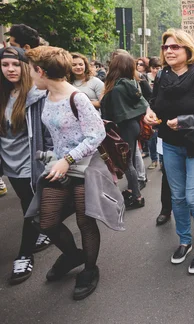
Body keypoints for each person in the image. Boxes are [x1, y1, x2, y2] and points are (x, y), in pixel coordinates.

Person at [26, 46, 124, 301]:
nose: (29, 75)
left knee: (85, 221)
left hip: (86, 167)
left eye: (30, 69)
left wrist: (68, 159)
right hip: (59, 165)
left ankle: (90, 269)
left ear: (40, 71)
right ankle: (73, 255)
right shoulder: (42, 95)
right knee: (46, 221)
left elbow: (97, 135)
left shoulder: (77, 97)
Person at [144, 28, 194, 274]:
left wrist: (186, 120)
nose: (169, 51)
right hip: (169, 144)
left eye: (175, 46)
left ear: (188, 50)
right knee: (176, 197)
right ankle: (185, 241)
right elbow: (155, 103)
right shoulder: (163, 76)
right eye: (166, 47)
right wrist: (151, 113)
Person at [0, 46, 52, 284]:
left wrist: (50, 158)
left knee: (31, 208)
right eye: (4, 65)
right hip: (8, 164)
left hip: (30, 163)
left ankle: (24, 255)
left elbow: (47, 130)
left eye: (14, 64)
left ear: (24, 66)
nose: (10, 69)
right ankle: (41, 232)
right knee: (26, 204)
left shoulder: (36, 95)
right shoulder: (3, 94)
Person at [101, 50, 148, 210]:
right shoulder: (130, 84)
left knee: (127, 163)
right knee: (131, 161)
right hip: (133, 126)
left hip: (123, 127)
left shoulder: (117, 89)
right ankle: (133, 191)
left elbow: (112, 113)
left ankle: (137, 196)